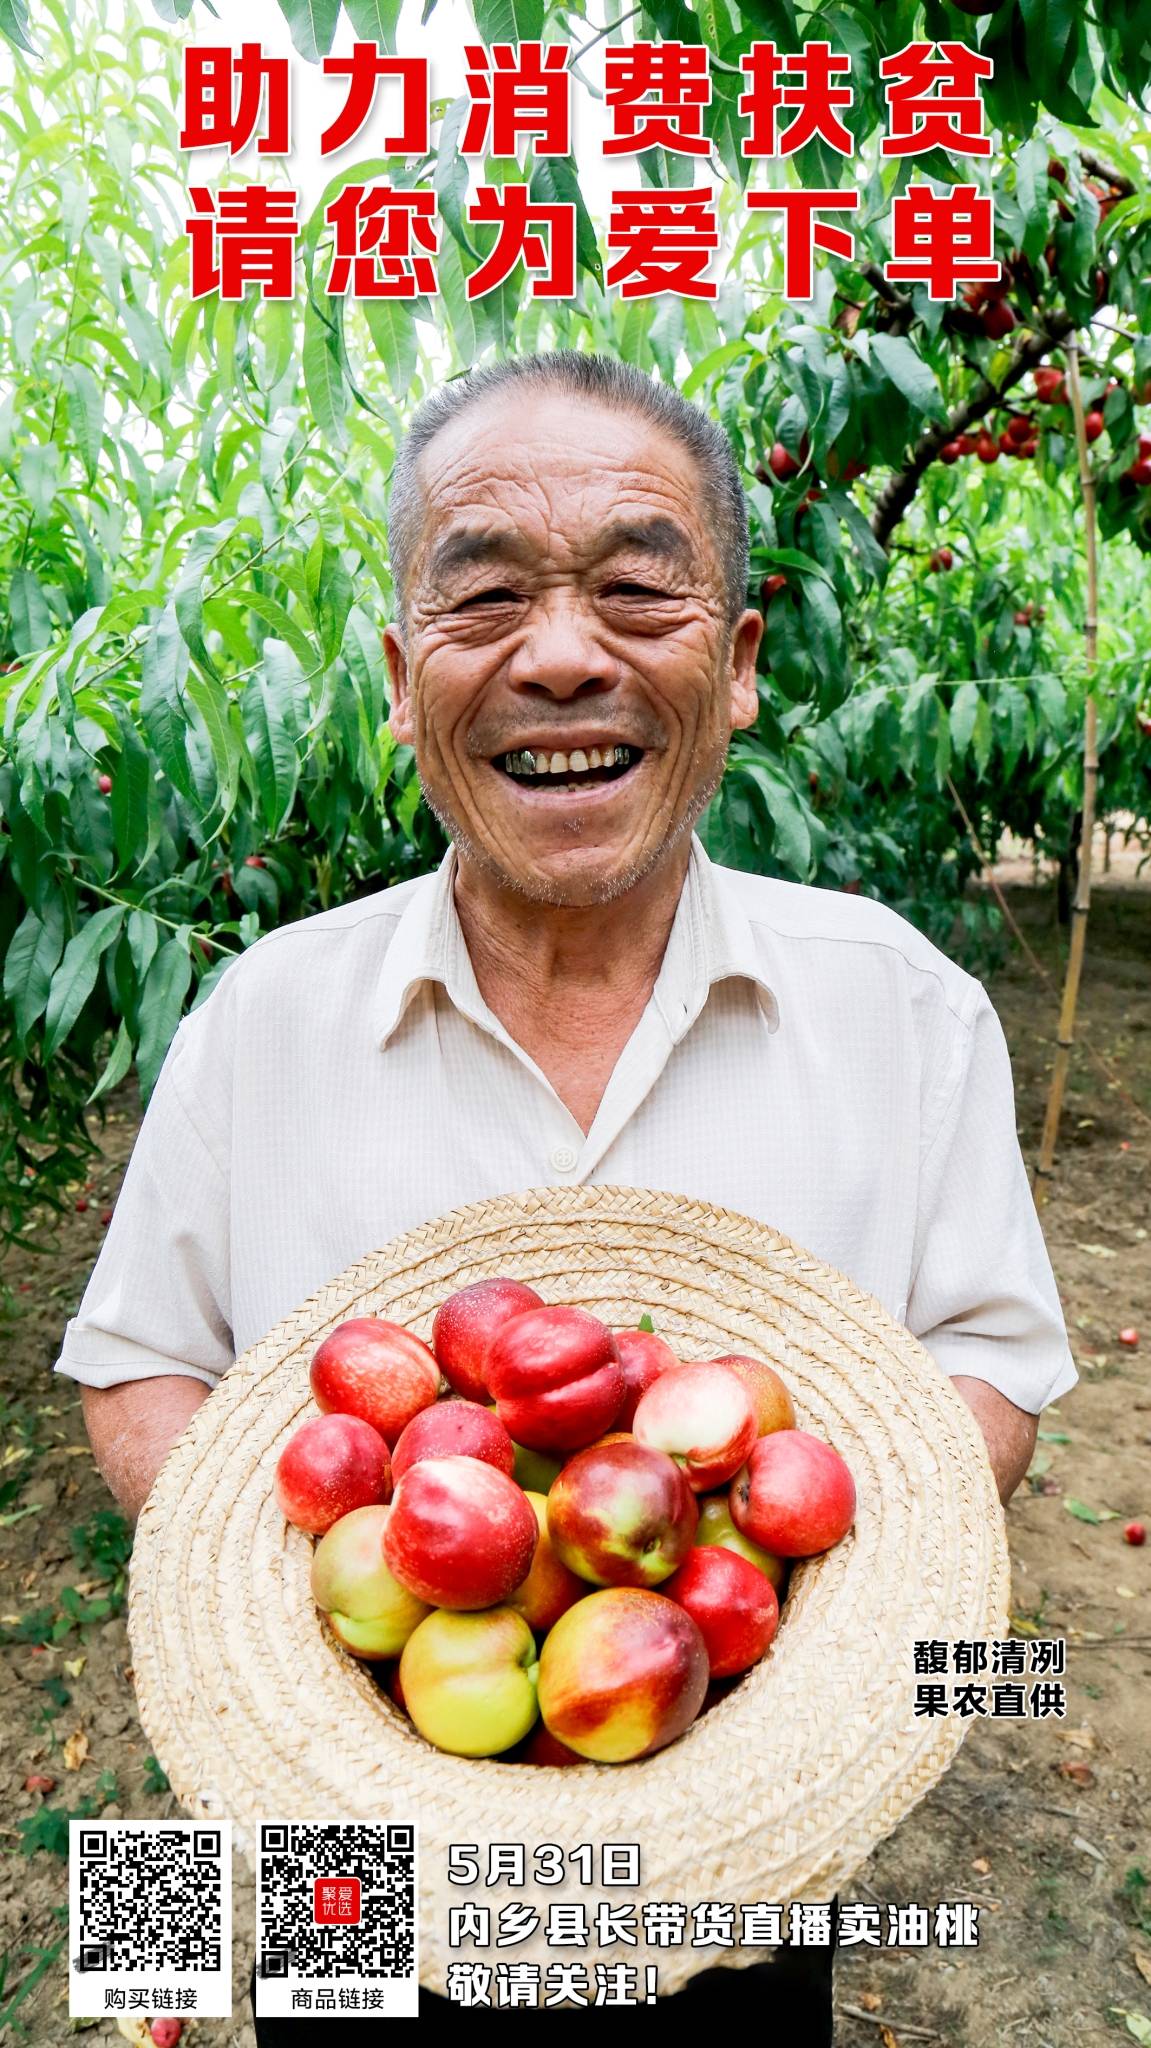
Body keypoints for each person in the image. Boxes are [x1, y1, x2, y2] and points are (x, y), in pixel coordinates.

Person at [58, 352, 1076, 2036]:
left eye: (633, 588)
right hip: (361, 1863)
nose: (558, 655)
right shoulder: (270, 1017)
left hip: (735, 1849)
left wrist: (800, 1579)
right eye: (485, 600)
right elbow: (141, 1359)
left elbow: (992, 1361)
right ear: (402, 678)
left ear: (738, 666)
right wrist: (285, 1619)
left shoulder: (899, 1009)